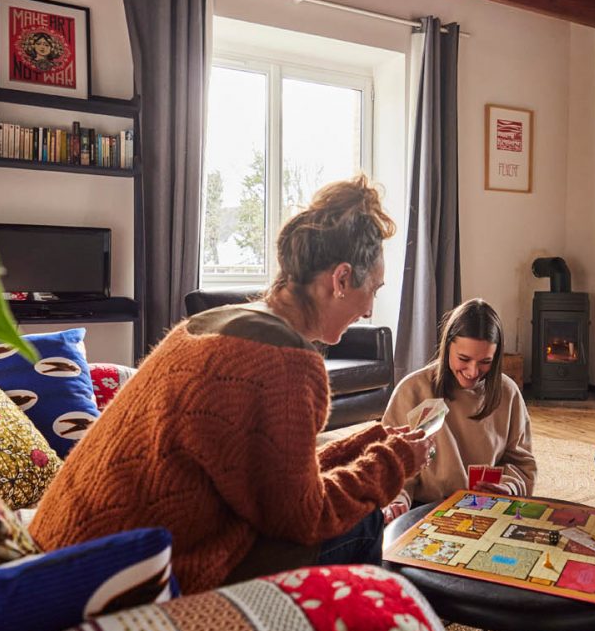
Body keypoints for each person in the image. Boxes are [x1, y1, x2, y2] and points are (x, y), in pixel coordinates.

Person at [30, 176, 434, 593]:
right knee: (362, 521)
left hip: (61, 551)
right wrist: (392, 463)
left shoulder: (206, 326)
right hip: (122, 583)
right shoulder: (288, 365)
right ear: (342, 279)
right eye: (373, 290)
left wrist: (366, 442)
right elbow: (304, 517)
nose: (369, 310)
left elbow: (265, 475)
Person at [380, 299, 537, 522]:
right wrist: (397, 499)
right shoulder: (412, 390)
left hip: (488, 509)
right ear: (447, 346)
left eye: (485, 361)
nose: (473, 371)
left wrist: (508, 487)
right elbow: (391, 464)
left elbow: (522, 465)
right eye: (464, 359)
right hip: (424, 509)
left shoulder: (507, 392)